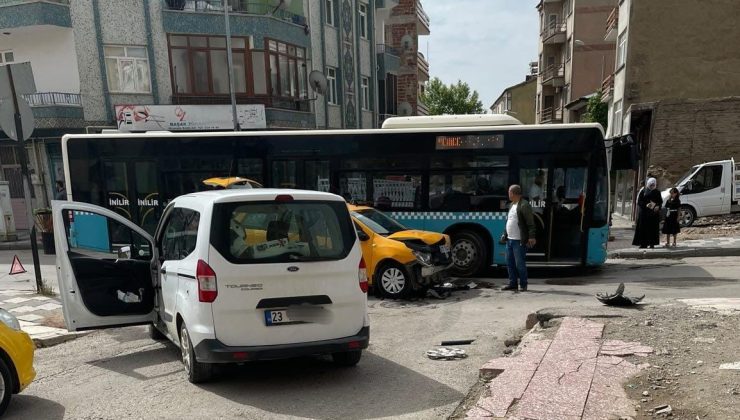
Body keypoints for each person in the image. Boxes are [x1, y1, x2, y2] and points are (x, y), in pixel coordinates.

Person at [501, 185, 536, 292]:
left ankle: (523, 285)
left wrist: (531, 237)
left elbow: (530, 223)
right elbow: (509, 221)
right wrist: (504, 234)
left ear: (513, 193)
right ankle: (513, 284)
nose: (508, 194)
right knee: (509, 263)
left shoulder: (524, 205)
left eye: (509, 192)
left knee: (519, 264)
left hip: (518, 241)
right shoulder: (512, 205)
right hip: (510, 240)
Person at [632, 177, 663, 249]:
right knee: (643, 229)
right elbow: (639, 201)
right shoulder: (643, 191)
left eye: (653, 184)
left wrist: (658, 207)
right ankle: (643, 244)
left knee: (652, 229)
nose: (652, 186)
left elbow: (660, 202)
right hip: (644, 213)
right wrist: (646, 205)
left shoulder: (657, 192)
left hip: (653, 214)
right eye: (651, 184)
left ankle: (652, 243)